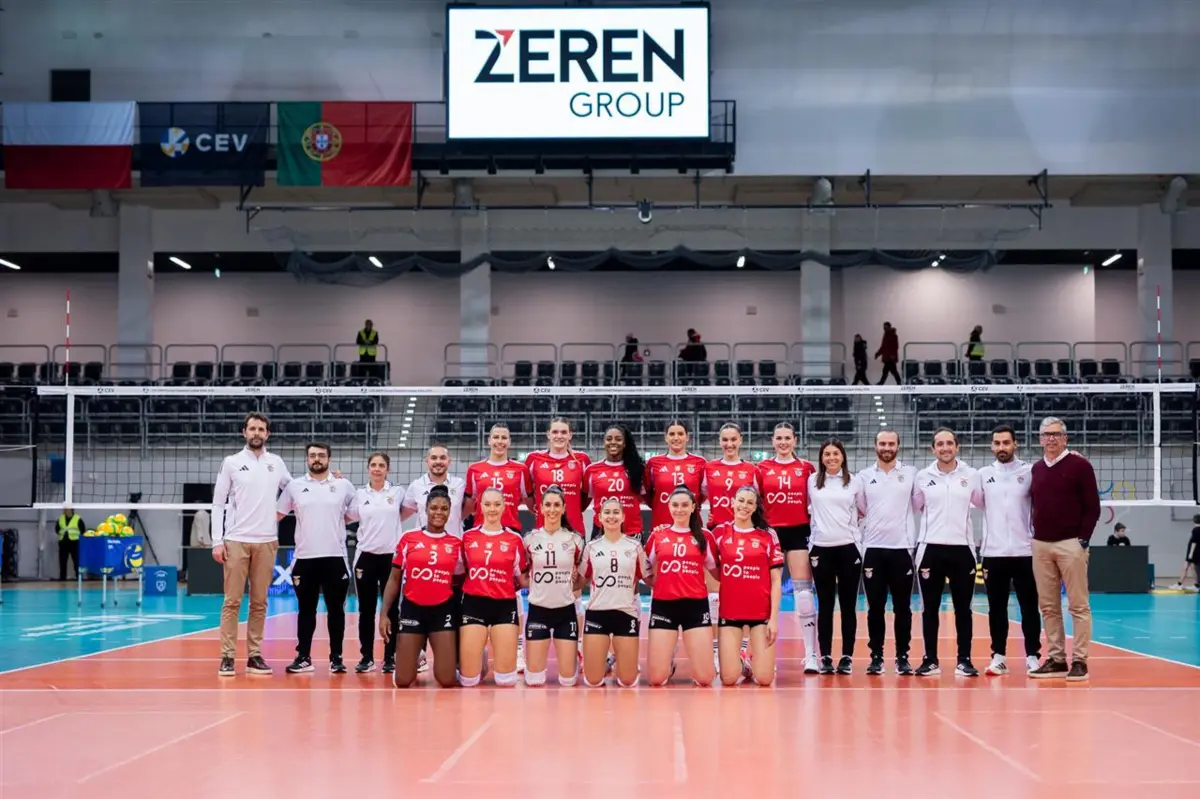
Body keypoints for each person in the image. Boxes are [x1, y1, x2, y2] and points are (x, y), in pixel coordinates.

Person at [212, 412, 292, 677]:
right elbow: (218, 503)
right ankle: (227, 656)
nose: (256, 433)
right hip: (236, 540)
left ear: (267, 434)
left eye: (261, 429)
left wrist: (329, 480)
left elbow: (294, 490)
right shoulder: (232, 462)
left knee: (259, 602)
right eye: (252, 428)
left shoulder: (276, 463)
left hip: (267, 541)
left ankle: (255, 655)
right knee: (232, 601)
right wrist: (217, 541)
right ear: (244, 432)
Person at [1028, 416, 1099, 682]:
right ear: (1040, 439)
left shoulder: (1080, 466)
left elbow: (1093, 507)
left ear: (1065, 438)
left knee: (1078, 606)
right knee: (1048, 607)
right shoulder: (1036, 469)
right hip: (1041, 544)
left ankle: (1080, 661)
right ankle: (1056, 659)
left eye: (1056, 434)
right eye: (1046, 434)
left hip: (1071, 544)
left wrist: (1083, 540)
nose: (1051, 438)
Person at [276, 442, 356, 674]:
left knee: (336, 611)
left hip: (335, 557)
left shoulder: (343, 485)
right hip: (305, 558)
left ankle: (336, 659)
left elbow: (355, 512)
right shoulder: (294, 486)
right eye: (312, 455)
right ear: (307, 459)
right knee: (306, 610)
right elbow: (277, 514)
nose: (317, 459)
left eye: (321, 455)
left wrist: (334, 523)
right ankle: (303, 657)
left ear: (329, 458)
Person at [911, 428, 980, 678]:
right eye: (940, 444)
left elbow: (983, 502)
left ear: (957, 446)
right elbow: (915, 506)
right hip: (930, 548)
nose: (945, 448)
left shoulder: (972, 475)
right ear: (933, 449)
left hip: (963, 549)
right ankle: (930, 660)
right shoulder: (922, 477)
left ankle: (964, 660)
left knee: (964, 609)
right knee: (930, 608)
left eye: (949, 443)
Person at [972, 426, 1042, 676]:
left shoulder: (1030, 471)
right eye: (997, 443)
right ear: (992, 446)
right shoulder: (982, 475)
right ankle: (999, 657)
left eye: (1006, 442)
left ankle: (1033, 656)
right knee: (996, 609)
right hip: (994, 553)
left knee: (1029, 607)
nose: (1001, 447)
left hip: (1025, 552)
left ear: (1015, 444)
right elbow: (977, 502)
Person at [379, 485, 462, 688]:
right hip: (412, 609)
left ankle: (461, 657)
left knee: (446, 680)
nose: (438, 512)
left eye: (444, 508)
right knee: (403, 681)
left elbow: (461, 581)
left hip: (442, 611)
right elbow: (394, 578)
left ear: (449, 512)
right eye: (434, 508)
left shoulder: (456, 544)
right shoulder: (409, 538)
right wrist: (384, 614)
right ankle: (415, 654)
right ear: (425, 510)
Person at [644, 420, 712, 665]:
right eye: (671, 434)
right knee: (662, 586)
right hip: (662, 531)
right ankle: (666, 651)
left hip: (690, 532)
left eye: (680, 433)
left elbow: (703, 495)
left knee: (697, 581)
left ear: (687, 437)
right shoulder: (654, 464)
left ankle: (710, 650)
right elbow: (648, 494)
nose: (676, 438)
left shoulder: (699, 463)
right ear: (665, 437)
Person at [756, 422, 819, 672]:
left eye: (787, 438)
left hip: (798, 531)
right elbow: (755, 502)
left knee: (803, 593)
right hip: (770, 532)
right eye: (779, 438)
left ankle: (811, 654)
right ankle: (761, 655)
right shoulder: (762, 468)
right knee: (762, 592)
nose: (783, 442)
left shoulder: (806, 468)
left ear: (795, 440)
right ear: (773, 441)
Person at [856, 429, 918, 676]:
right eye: (882, 443)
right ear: (875, 446)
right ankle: (876, 657)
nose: (887, 447)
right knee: (875, 608)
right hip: (873, 549)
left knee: (903, 608)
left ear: (898, 446)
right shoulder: (864, 476)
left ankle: (902, 657)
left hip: (902, 548)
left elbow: (917, 504)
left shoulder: (911, 474)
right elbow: (862, 508)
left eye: (891, 443)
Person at [644, 487, 719, 687]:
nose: (680, 509)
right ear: (669, 507)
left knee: (705, 679)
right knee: (657, 679)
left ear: (693, 507)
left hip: (695, 606)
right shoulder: (658, 535)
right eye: (675, 505)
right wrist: (656, 583)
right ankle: (668, 660)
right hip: (664, 605)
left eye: (685, 505)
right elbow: (644, 568)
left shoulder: (704, 536)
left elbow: (717, 572)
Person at [458, 487, 530, 687]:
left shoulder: (514, 539)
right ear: (480, 506)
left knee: (506, 681)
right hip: (474, 604)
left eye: (497, 504)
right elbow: (460, 572)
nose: (492, 509)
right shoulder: (467, 537)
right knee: (469, 681)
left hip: (504, 605)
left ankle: (486, 647)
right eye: (488, 504)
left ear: (504, 506)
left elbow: (523, 578)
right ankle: (479, 650)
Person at [711, 486, 782, 686]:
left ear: (755, 507)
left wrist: (774, 619)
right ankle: (742, 663)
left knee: (765, 679)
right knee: (728, 679)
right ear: (732, 502)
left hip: (760, 613)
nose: (744, 506)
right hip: (730, 612)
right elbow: (709, 564)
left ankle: (752, 659)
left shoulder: (767, 535)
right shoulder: (720, 532)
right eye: (741, 500)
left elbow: (776, 580)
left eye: (750, 502)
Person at [807, 439, 864, 674]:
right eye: (827, 454)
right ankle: (826, 657)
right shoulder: (812, 481)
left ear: (842, 457)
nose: (831, 458)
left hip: (848, 548)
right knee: (826, 605)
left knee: (848, 606)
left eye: (836, 453)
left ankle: (847, 657)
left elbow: (863, 510)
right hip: (821, 548)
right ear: (821, 458)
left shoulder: (854, 481)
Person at [346, 452, 405, 675]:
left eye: (381, 465)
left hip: (391, 558)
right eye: (373, 465)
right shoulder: (359, 495)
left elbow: (407, 512)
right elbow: (347, 516)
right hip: (366, 557)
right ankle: (367, 657)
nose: (377, 469)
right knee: (366, 610)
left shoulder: (397, 493)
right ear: (368, 468)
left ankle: (390, 657)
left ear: (388, 469)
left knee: (391, 609)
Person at [581, 498, 650, 688]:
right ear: (599, 518)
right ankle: (606, 662)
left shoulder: (634, 546)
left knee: (627, 681)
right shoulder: (591, 547)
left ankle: (618, 659)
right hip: (597, 613)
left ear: (623, 517)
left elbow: (649, 578)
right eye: (607, 512)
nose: (611, 516)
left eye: (616, 512)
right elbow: (580, 579)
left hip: (625, 613)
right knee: (593, 680)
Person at [523, 487, 586, 687]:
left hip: (565, 613)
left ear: (564, 508)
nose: (552, 509)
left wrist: (572, 589)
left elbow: (583, 573)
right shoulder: (530, 539)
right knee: (534, 680)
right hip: (538, 611)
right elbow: (523, 573)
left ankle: (579, 653)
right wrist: (535, 587)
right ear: (540, 508)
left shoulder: (575, 539)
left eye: (557, 505)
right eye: (548, 505)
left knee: (568, 681)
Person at [525, 418, 592, 535]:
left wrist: (574, 509)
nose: (559, 436)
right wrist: (538, 509)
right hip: (543, 528)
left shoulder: (582, 459)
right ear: (548, 434)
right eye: (555, 432)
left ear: (570, 435)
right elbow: (527, 493)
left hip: (574, 529)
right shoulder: (534, 459)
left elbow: (588, 494)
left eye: (564, 432)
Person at [463, 424, 533, 534]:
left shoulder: (521, 469)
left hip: (511, 531)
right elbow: (469, 504)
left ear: (509, 442)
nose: (500, 441)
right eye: (496, 437)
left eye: (504, 438)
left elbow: (530, 502)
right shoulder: (474, 469)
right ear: (489, 440)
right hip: (481, 530)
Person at [583, 425, 646, 539]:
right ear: (604, 442)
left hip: (631, 532)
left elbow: (648, 499)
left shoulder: (638, 469)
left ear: (624, 443)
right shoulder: (591, 470)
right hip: (601, 532)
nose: (613, 442)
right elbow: (584, 502)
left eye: (618, 439)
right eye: (609, 439)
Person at [401, 444, 466, 537]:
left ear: (449, 461)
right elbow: (401, 515)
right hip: (424, 542)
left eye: (443, 458)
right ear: (427, 461)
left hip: (453, 542)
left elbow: (470, 509)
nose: (438, 461)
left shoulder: (460, 485)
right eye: (434, 458)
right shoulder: (416, 485)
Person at [703, 422, 758, 529]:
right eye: (725, 440)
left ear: (740, 440)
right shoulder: (709, 467)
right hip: (717, 527)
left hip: (743, 527)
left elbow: (757, 501)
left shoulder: (751, 469)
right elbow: (702, 494)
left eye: (733, 439)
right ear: (719, 441)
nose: (729, 444)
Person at [1169, 516, 1200, 591]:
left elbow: (1194, 542)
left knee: (1185, 567)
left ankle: (1179, 584)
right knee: (1193, 568)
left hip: (1193, 552)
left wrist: (1191, 553)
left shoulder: (1195, 530)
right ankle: (1196, 585)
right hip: (1196, 552)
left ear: (1194, 521)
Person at [56, 504, 84, 581]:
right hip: (63, 542)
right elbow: (57, 529)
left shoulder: (77, 518)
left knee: (76, 560)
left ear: (71, 510)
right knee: (62, 560)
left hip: (74, 542)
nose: (66, 511)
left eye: (67, 509)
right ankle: (62, 577)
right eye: (65, 509)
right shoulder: (61, 518)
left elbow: (82, 529)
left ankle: (79, 577)